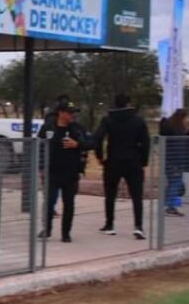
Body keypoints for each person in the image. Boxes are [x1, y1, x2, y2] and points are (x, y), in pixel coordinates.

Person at [93, 94, 150, 240]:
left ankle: (109, 224)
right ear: (128, 103)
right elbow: (146, 142)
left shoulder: (108, 119)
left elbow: (98, 138)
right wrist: (143, 161)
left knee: (110, 194)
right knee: (136, 195)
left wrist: (100, 156)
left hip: (113, 160)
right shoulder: (138, 120)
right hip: (134, 160)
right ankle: (138, 226)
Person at [37, 102, 92, 242]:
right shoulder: (48, 127)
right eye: (69, 112)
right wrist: (41, 166)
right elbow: (39, 146)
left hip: (71, 173)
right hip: (52, 172)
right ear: (60, 113)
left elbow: (91, 144)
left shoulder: (77, 129)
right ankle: (46, 229)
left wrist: (77, 144)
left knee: (69, 204)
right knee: (49, 202)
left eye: (73, 112)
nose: (72, 115)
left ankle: (66, 233)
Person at [159, 109, 189, 216]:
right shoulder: (176, 131)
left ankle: (169, 205)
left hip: (172, 160)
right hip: (175, 161)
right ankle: (170, 207)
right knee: (175, 183)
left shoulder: (174, 128)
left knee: (174, 183)